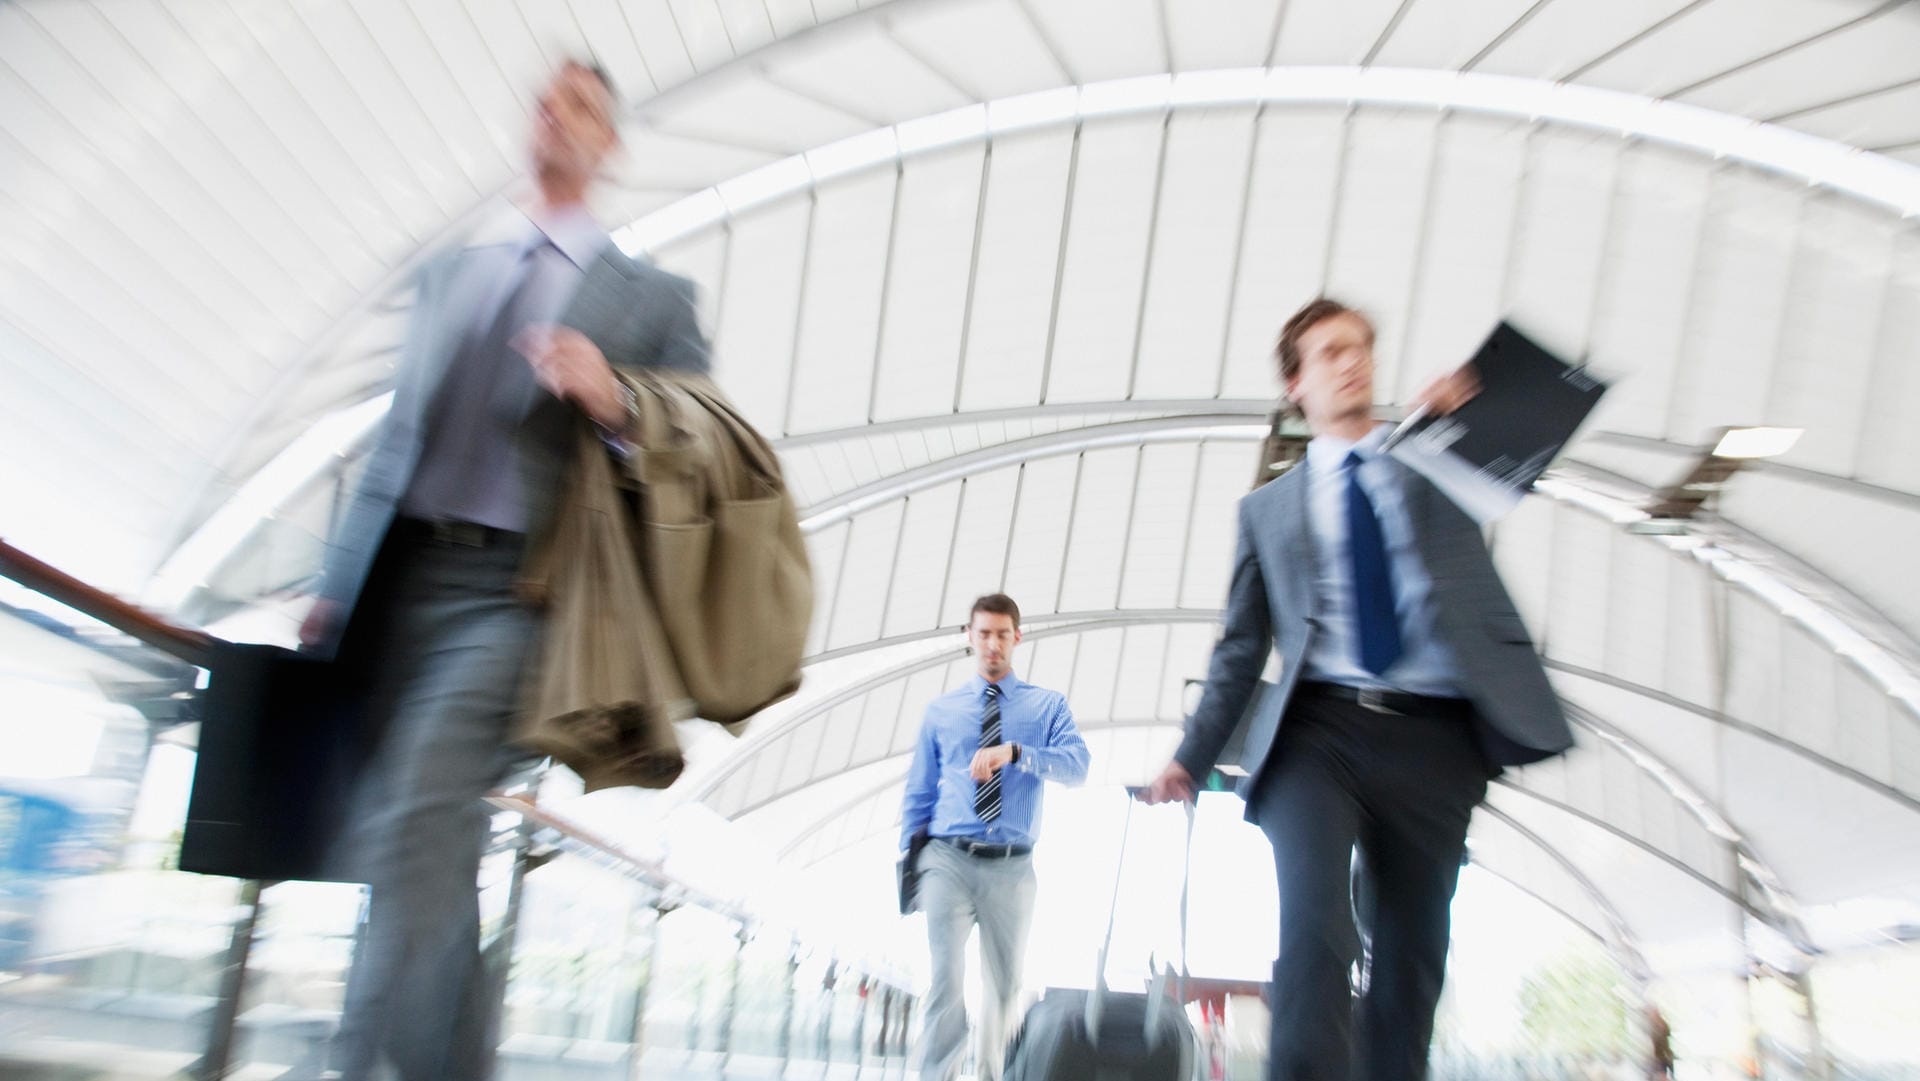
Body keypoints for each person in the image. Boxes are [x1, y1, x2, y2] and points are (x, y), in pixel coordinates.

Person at [299, 58, 710, 1081]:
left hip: (521, 599)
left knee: (411, 817)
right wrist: (337, 579)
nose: (557, 115)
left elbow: (696, 453)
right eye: (546, 98)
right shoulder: (454, 276)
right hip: (405, 593)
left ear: (609, 143)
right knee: (417, 843)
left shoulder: (650, 297)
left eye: (582, 105)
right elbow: (397, 442)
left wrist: (616, 399)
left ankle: (350, 1066)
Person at [1142, 298, 1574, 1081]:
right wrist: (1189, 756)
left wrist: (1470, 419)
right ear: (1295, 383)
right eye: (1332, 351)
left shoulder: (1435, 460)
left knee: (1411, 951)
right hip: (1318, 733)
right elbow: (1243, 645)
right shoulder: (1266, 511)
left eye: (1364, 348)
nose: (1354, 361)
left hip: (1434, 737)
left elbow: (1525, 453)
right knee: (1316, 932)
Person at [902, 594, 1091, 1081]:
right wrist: (911, 861)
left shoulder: (1047, 706)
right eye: (982, 633)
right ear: (969, 636)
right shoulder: (940, 712)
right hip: (948, 859)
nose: (991, 644)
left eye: (1001, 634)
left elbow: (1077, 766)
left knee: (1005, 989)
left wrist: (1015, 752)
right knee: (945, 982)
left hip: (1012, 866)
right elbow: (919, 792)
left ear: (1017, 638)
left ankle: (991, 1074)